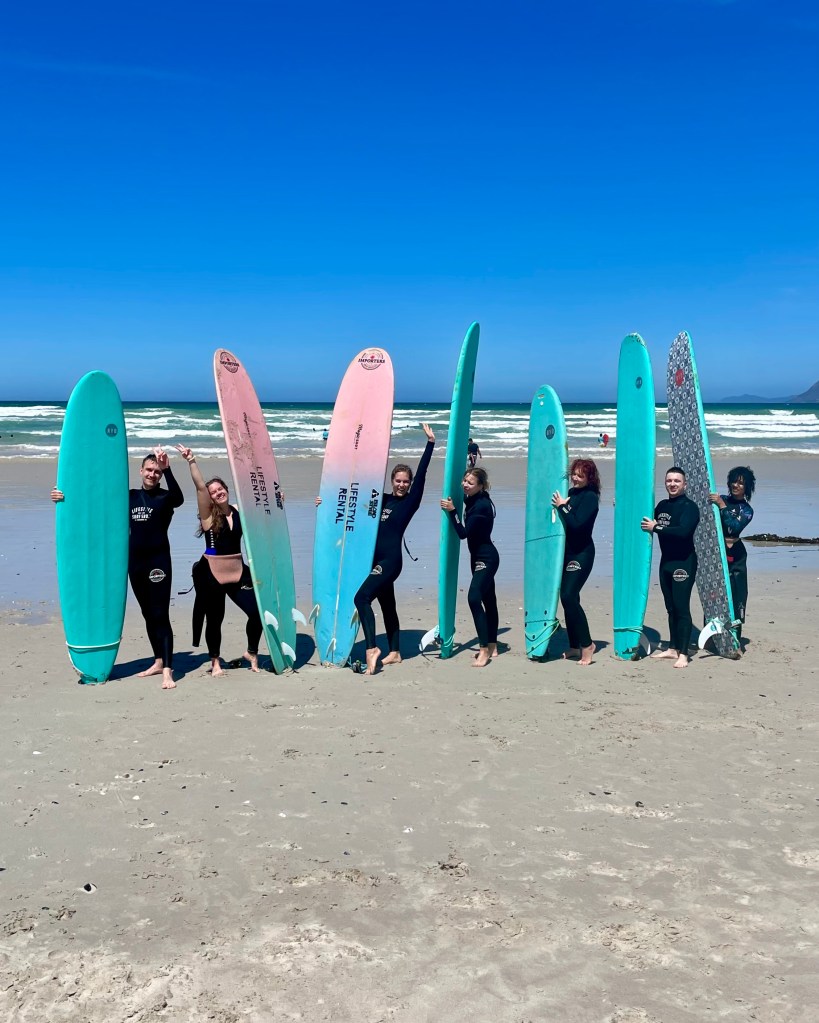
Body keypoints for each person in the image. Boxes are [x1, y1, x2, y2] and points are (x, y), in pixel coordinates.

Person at [51, 446, 184, 690]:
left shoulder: (166, 498)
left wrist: (169, 468)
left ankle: (168, 670)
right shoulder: (129, 496)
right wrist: (64, 496)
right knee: (147, 614)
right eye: (149, 470)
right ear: (140, 470)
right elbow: (96, 502)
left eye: (157, 471)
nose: (153, 474)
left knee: (160, 614)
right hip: (134, 563)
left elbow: (180, 498)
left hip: (158, 564)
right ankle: (157, 660)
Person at [354, 424, 435, 675]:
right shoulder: (382, 500)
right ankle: (396, 652)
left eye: (405, 481)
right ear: (392, 481)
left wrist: (430, 444)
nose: (401, 485)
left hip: (390, 560)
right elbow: (353, 501)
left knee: (362, 598)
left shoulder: (411, 501)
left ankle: (372, 649)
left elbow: (422, 474)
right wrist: (323, 503)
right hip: (374, 558)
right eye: (398, 481)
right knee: (388, 606)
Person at [176, 445, 263, 676]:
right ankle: (215, 661)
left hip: (236, 569)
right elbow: (199, 487)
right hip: (212, 573)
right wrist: (192, 461)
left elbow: (264, 510)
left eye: (219, 489)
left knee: (257, 612)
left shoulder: (239, 511)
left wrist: (278, 500)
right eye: (213, 492)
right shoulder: (207, 516)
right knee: (215, 619)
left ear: (226, 488)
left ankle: (251, 652)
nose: (217, 493)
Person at [641, 466, 700, 668]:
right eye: (669, 481)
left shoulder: (690, 507)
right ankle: (673, 648)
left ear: (685, 484)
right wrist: (623, 506)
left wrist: (657, 527)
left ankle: (684, 654)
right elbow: (644, 518)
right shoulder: (662, 505)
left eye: (677, 481)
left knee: (681, 607)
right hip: (666, 562)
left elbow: (683, 532)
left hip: (684, 562)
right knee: (670, 608)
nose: (672, 484)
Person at [441, 467, 500, 668]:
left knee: (474, 598)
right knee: (488, 599)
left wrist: (452, 512)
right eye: (464, 480)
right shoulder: (474, 500)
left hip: (486, 558)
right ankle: (492, 644)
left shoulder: (481, 506)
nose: (465, 484)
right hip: (477, 557)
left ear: (481, 486)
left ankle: (484, 649)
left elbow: (463, 533)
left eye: (471, 483)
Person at [552, 458, 600, 666]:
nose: (575, 478)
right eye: (574, 474)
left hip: (582, 553)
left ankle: (587, 645)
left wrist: (563, 507)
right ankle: (573, 646)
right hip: (567, 553)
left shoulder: (590, 497)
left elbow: (578, 526)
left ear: (590, 478)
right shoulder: (571, 494)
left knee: (569, 596)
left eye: (581, 475)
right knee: (568, 599)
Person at [709, 466, 756, 646]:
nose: (736, 485)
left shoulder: (747, 510)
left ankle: (734, 636)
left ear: (747, 487)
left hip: (736, 555)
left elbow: (733, 527)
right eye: (734, 481)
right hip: (717, 550)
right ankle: (713, 635)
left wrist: (721, 505)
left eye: (741, 483)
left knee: (736, 594)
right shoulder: (721, 499)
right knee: (714, 593)